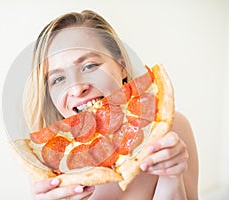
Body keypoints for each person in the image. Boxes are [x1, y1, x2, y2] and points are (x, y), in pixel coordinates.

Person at [24, 10, 198, 200]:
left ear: (121, 66)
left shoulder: (171, 129)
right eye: (58, 79)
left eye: (89, 66)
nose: (76, 89)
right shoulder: (50, 165)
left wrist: (171, 176)